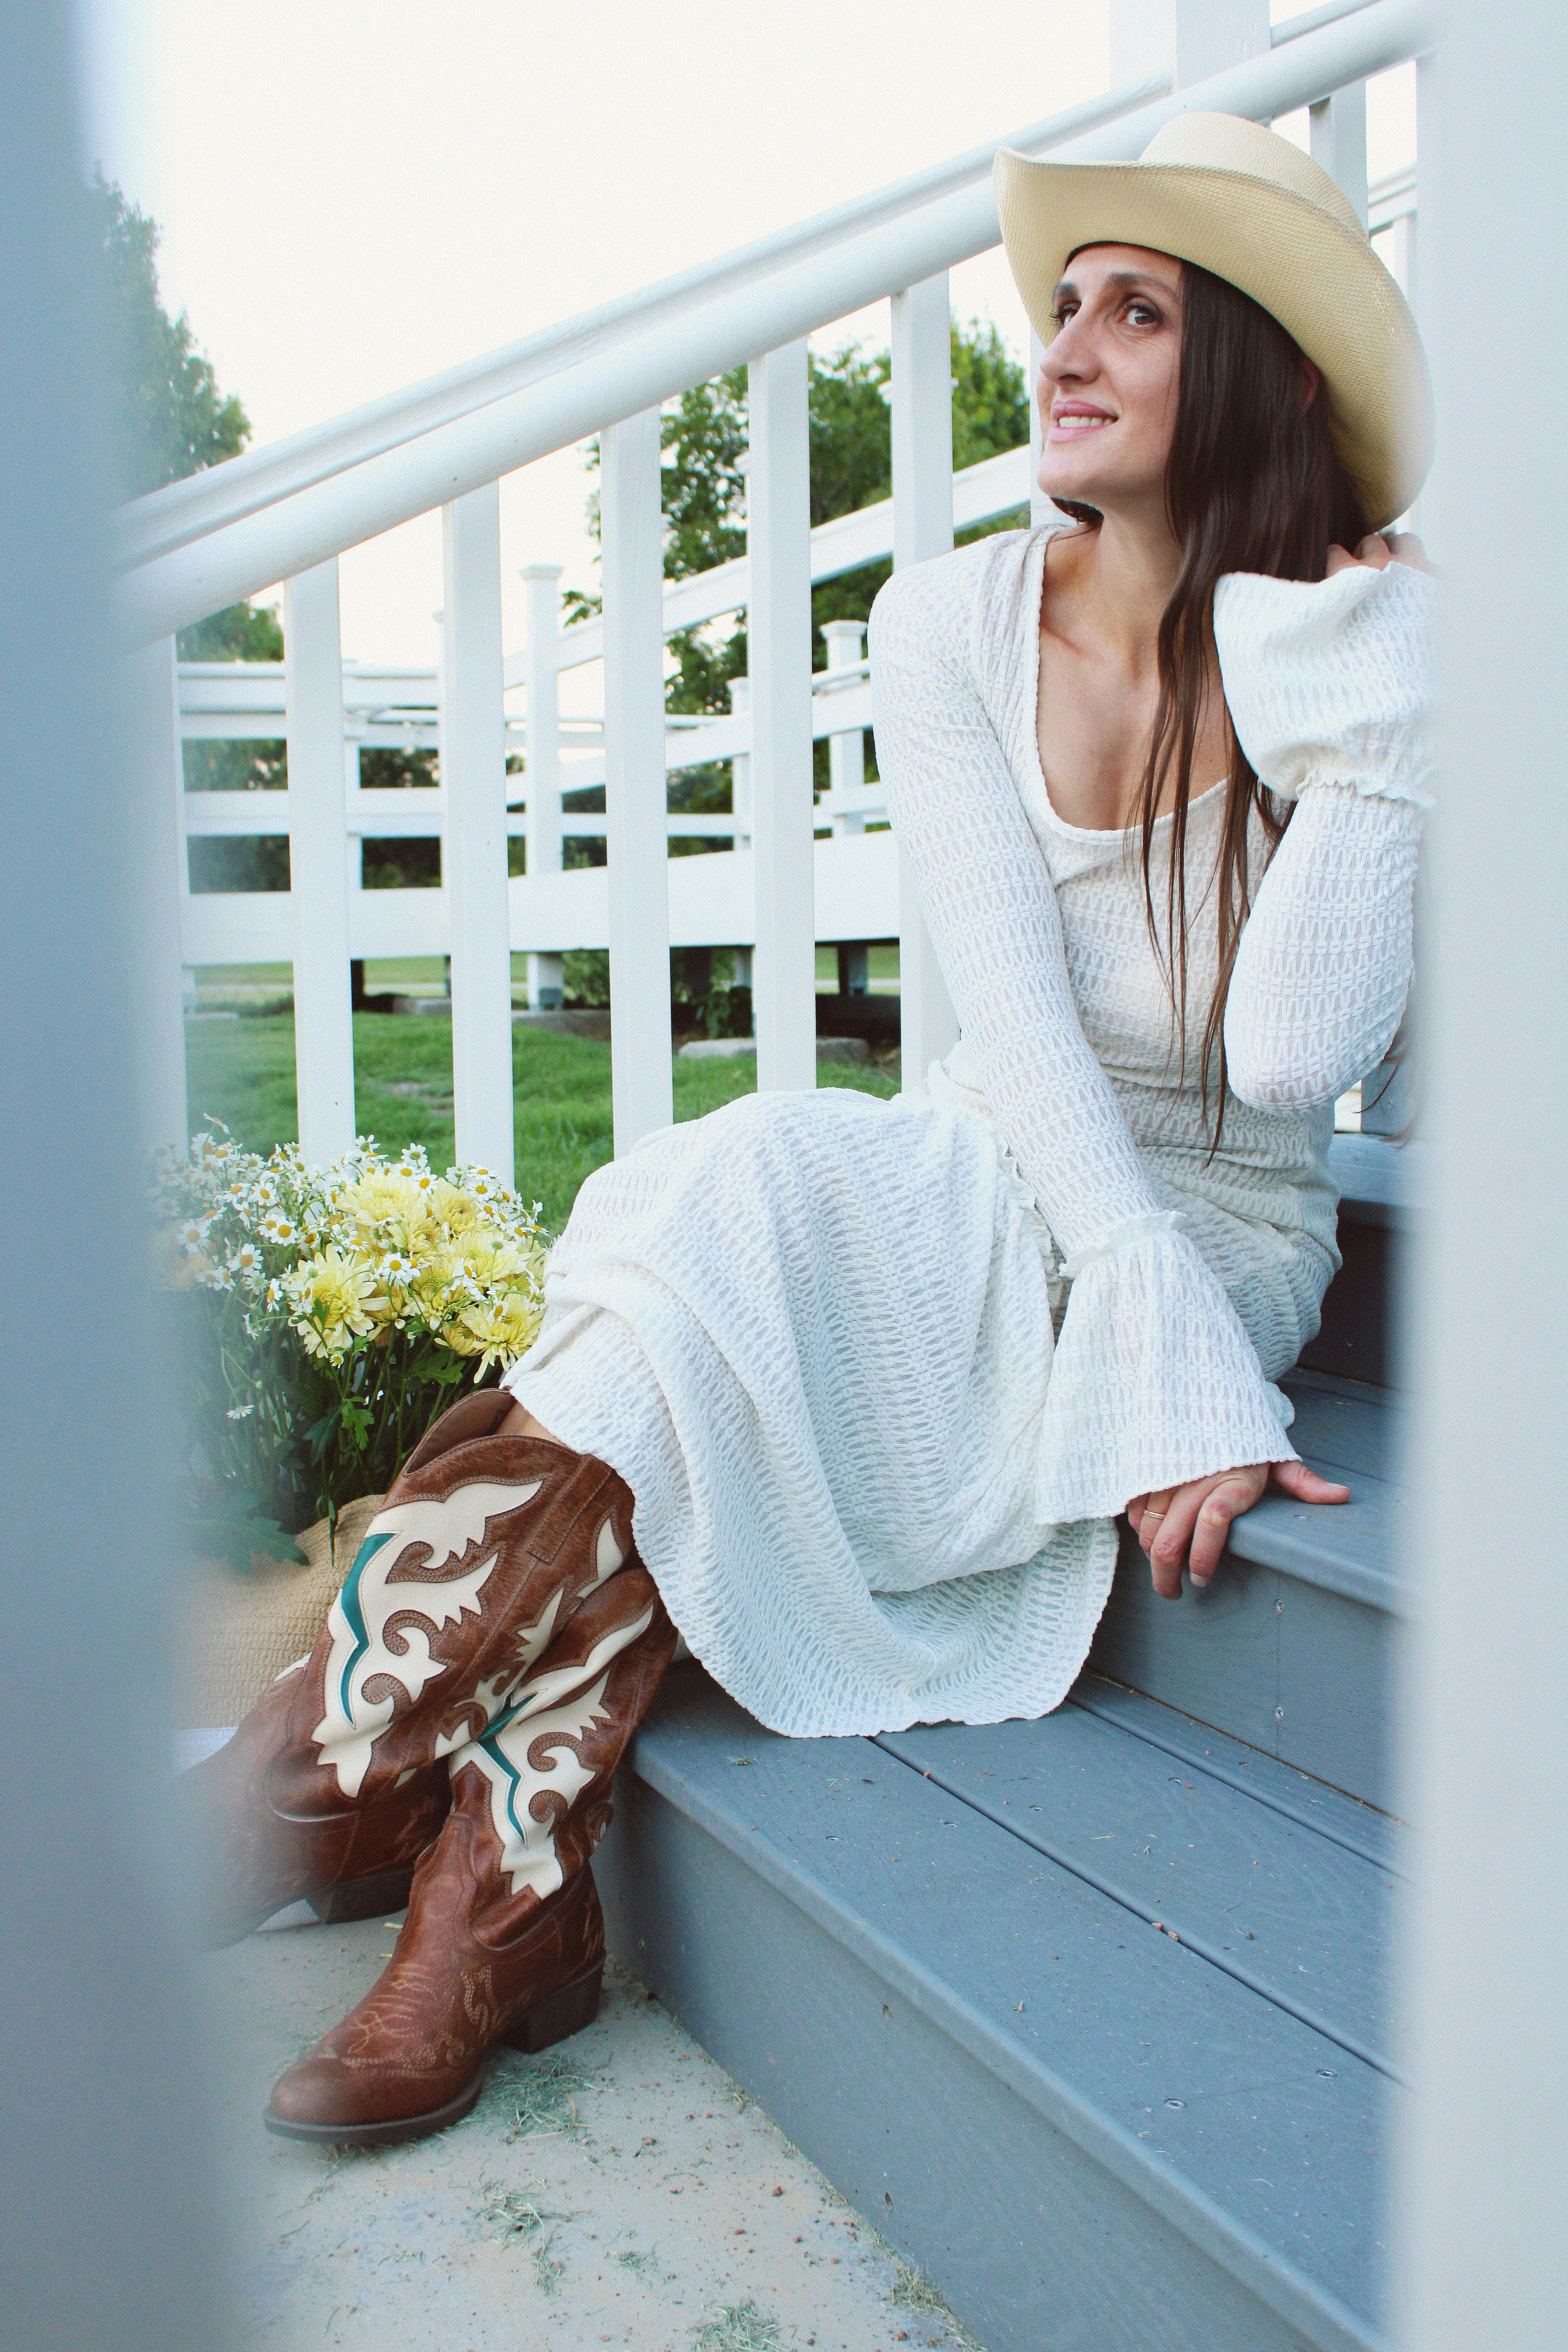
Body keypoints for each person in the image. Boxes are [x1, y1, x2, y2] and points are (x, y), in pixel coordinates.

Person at [184, 111, 1434, 2147]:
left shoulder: (1350, 660)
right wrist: (1122, 1298)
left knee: (735, 1241)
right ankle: (456, 1869)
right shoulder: (951, 623)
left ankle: (369, 1823)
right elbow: (1012, 1026)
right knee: (737, 1216)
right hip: (999, 1169)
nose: (1066, 347)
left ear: (1275, 376)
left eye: (1139, 311)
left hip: (1213, 1231)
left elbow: (1292, 1061)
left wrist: (1379, 712)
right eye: (1064, 303)